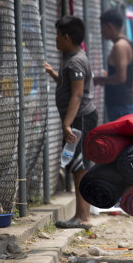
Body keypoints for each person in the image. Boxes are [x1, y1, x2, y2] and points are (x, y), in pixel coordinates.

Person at [45, 15, 98, 230]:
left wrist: (67, 124)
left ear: (66, 37)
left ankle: (83, 217)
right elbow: (69, 85)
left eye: (58, 35)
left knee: (80, 167)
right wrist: (54, 74)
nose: (56, 39)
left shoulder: (76, 61)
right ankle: (80, 214)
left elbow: (77, 95)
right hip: (78, 118)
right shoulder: (72, 58)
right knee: (77, 166)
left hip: (80, 119)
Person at [94, 8, 133, 121]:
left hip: (120, 106)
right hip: (122, 104)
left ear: (110, 26)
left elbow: (121, 77)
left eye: (102, 28)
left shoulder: (119, 46)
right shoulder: (129, 43)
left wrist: (101, 79)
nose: (101, 32)